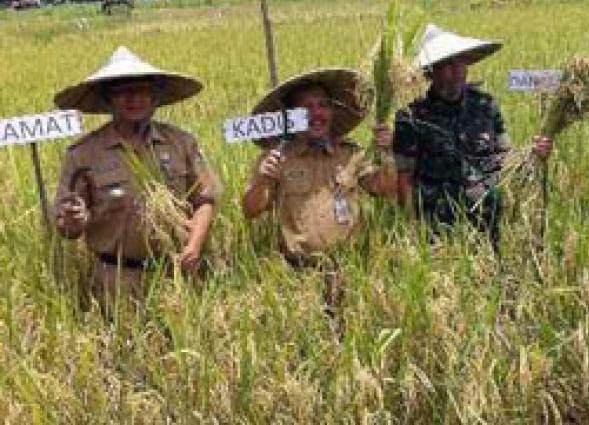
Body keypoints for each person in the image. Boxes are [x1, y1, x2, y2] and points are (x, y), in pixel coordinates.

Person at [53, 47, 219, 315]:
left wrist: (195, 244)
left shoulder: (181, 143)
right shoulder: (83, 154)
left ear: (155, 97)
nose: (134, 99)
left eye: (142, 90)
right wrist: (74, 221)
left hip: (177, 273)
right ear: (108, 100)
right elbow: (66, 228)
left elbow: (205, 199)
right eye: (122, 92)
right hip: (117, 281)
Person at [241, 68, 397, 312]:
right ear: (291, 118)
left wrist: (387, 154)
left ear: (332, 113)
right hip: (299, 279)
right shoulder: (277, 159)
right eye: (306, 107)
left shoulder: (350, 155)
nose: (316, 113)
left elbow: (384, 188)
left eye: (323, 105)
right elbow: (251, 210)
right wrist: (263, 179)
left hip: (351, 271)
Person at [393, 24, 552, 249]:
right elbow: (404, 179)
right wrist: (412, 231)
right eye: (447, 64)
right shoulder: (410, 118)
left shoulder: (485, 106)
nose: (457, 70)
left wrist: (533, 154)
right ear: (432, 71)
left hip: (487, 224)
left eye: (460, 62)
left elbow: (506, 159)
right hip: (437, 229)